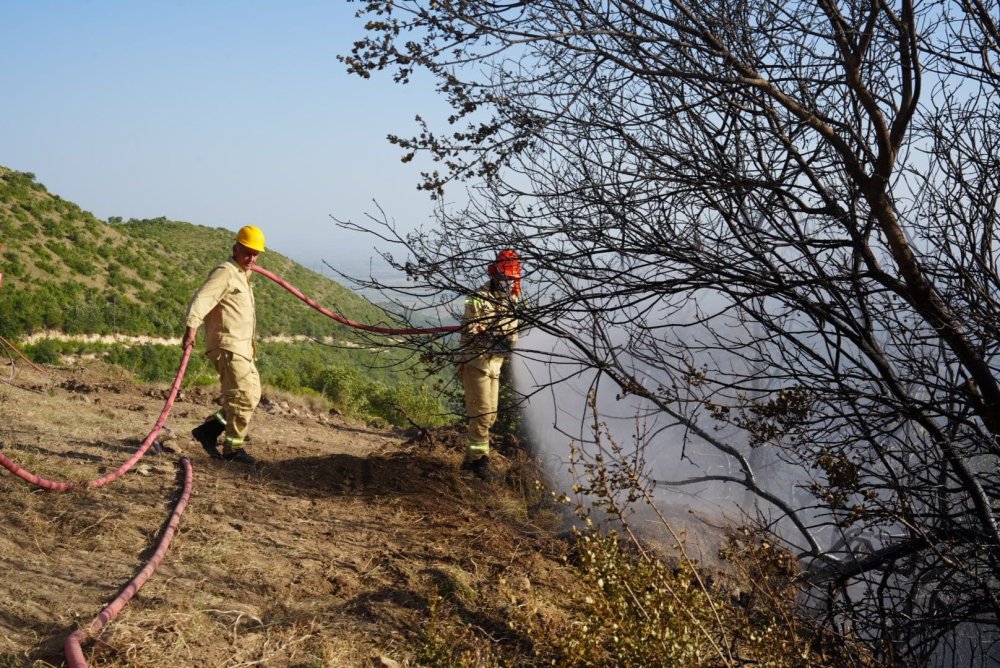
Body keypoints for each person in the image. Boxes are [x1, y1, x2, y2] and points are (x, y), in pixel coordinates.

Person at [182, 225, 265, 464]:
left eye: (255, 254)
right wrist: (191, 329)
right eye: (247, 252)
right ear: (235, 248)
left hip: (244, 349)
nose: (251, 258)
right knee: (242, 397)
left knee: (252, 395)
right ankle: (233, 450)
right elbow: (202, 299)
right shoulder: (225, 272)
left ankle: (208, 431)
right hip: (228, 347)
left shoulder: (242, 274)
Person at [457, 249, 522, 480]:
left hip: (495, 364)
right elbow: (471, 328)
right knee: (482, 415)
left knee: (490, 416)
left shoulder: (513, 299)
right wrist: (491, 337)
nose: (508, 281)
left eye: (512, 277)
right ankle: (479, 462)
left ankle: (469, 461)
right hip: (476, 362)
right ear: (495, 274)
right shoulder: (476, 297)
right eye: (505, 276)